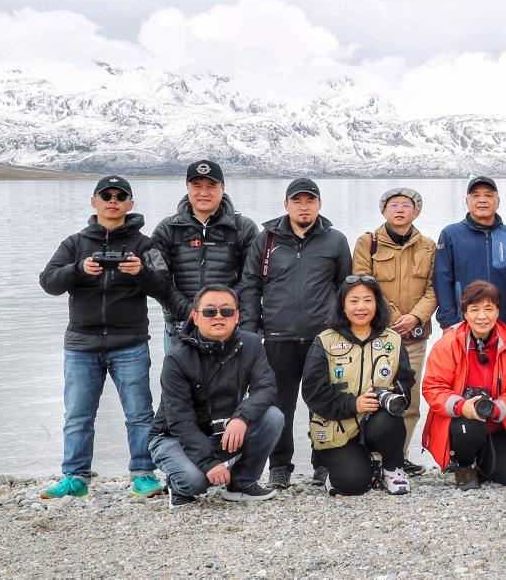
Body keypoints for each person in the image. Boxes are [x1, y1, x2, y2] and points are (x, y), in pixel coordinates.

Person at [38, 175, 170, 499]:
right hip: (81, 344)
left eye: (120, 196)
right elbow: (48, 281)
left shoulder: (144, 245)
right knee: (77, 415)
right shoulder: (74, 244)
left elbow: (165, 285)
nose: (113, 200)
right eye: (107, 195)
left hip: (130, 343)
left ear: (130, 204)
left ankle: (143, 474)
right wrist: (79, 269)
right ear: (94, 201)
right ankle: (75, 477)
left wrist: (141, 273)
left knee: (140, 414)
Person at [239, 178, 353, 489]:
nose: (304, 207)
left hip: (322, 338)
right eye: (297, 201)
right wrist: (250, 331)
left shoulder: (336, 240)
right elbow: (250, 286)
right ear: (286, 205)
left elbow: (345, 289)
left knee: (324, 402)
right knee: (279, 405)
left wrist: (343, 331)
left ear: (319, 204)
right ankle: (279, 467)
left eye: (310, 200)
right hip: (278, 337)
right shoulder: (266, 241)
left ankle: (324, 462)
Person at [149, 285, 283, 507]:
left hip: (219, 430)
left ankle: (241, 483)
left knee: (273, 416)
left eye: (226, 311)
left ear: (237, 316)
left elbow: (266, 387)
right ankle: (177, 485)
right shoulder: (177, 358)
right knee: (195, 481)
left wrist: (242, 417)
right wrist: (208, 463)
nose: (218, 317)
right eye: (210, 311)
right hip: (173, 436)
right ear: (195, 317)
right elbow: (179, 420)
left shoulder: (251, 344)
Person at [301, 277, 416, 495]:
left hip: (375, 422)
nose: (361, 307)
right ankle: (342, 469)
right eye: (353, 301)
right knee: (353, 484)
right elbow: (313, 392)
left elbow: (406, 380)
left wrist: (398, 392)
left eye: (367, 300)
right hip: (337, 427)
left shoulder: (393, 340)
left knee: (390, 421)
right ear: (342, 306)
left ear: (377, 304)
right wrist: (354, 404)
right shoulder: (325, 341)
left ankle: (392, 469)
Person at [351, 187, 437, 475]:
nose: (400, 210)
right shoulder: (368, 243)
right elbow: (363, 284)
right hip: (377, 335)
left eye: (406, 205)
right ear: (383, 210)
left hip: (415, 336)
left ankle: (399, 456)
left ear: (416, 211)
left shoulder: (428, 246)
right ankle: (371, 456)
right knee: (373, 394)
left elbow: (433, 289)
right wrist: (393, 317)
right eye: (394, 205)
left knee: (409, 399)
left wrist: (415, 317)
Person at [421, 281, 506, 489]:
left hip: (495, 421)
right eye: (474, 310)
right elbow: (433, 387)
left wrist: (497, 407)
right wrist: (462, 406)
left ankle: (483, 461)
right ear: (465, 313)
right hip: (460, 420)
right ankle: (464, 466)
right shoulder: (449, 343)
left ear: (498, 311)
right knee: (469, 428)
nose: (482, 316)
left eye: (488, 309)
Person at [151, 159, 258, 353]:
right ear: (187, 187)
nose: (204, 192)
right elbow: (157, 281)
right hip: (180, 325)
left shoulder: (244, 228)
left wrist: (220, 310)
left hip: (228, 325)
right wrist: (190, 311)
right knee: (178, 374)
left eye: (211, 186)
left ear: (223, 187)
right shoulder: (167, 229)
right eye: (197, 186)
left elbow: (252, 279)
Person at [434, 176, 506, 328]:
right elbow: (442, 281)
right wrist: (448, 323)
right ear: (466, 201)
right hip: (462, 323)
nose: (482, 200)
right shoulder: (451, 234)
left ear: (498, 201)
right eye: (475, 195)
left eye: (488, 195)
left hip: (503, 323)